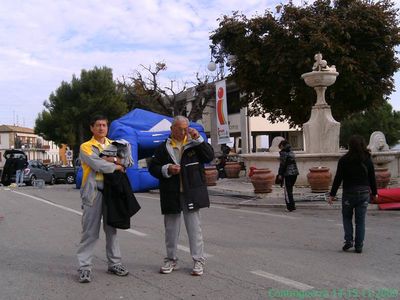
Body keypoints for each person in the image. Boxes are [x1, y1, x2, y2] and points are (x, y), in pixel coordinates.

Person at [149, 116, 214, 276]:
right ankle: (171, 259)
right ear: (172, 129)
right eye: (180, 128)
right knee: (171, 229)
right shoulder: (163, 148)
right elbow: (153, 167)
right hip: (171, 193)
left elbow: (209, 157)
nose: (184, 131)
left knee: (194, 229)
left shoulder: (194, 144)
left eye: (186, 128)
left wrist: (199, 138)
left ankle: (198, 260)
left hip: (191, 192)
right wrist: (167, 168)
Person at [76, 115, 129, 283]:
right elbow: (97, 165)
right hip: (94, 192)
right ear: (92, 128)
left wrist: (111, 159)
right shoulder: (86, 146)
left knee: (112, 229)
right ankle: (84, 267)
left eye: (104, 125)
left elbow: (127, 162)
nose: (101, 128)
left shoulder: (115, 145)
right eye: (98, 125)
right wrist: (116, 164)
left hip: (112, 191)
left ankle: (115, 263)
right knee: (90, 232)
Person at [329, 135, 377, 253]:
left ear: (349, 146)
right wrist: (375, 193)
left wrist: (332, 194)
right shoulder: (367, 159)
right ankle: (359, 245)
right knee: (360, 221)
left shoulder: (344, 160)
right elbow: (372, 178)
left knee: (347, 217)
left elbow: (338, 178)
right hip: (364, 193)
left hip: (349, 193)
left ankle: (349, 241)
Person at [277, 139, 299, 211]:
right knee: (290, 190)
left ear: (282, 146)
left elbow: (282, 165)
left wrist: (280, 174)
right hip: (295, 173)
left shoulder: (283, 153)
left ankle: (290, 207)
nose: (280, 149)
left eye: (280, 147)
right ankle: (293, 206)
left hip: (288, 174)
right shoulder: (291, 151)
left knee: (287, 191)